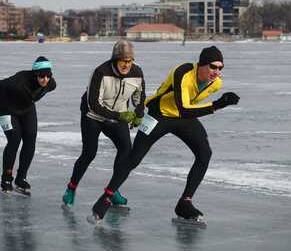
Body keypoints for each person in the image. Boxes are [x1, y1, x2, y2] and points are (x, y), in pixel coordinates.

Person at [90, 45, 240, 222]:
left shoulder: (216, 83)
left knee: (204, 153)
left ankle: (185, 203)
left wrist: (217, 104)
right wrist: (217, 105)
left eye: (220, 68)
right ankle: (106, 197)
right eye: (213, 67)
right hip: (159, 115)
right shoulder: (183, 73)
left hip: (183, 118)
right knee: (134, 158)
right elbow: (184, 108)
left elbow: (186, 110)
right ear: (201, 64)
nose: (216, 72)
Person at [62, 40, 145, 208]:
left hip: (118, 116)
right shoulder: (101, 72)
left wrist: (139, 113)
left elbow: (139, 96)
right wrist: (119, 116)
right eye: (123, 61)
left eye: (129, 61)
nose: (126, 65)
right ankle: (71, 188)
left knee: (126, 151)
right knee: (89, 153)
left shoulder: (137, 72)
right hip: (93, 117)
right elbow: (93, 103)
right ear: (115, 60)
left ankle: (113, 191)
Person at [0, 56, 56, 193]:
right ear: (35, 74)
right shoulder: (18, 81)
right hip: (6, 108)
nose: (45, 79)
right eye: (42, 76)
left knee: (30, 139)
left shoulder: (51, 84)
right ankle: (6, 178)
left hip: (26, 108)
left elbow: (36, 93)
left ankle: (21, 178)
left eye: (48, 75)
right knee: (14, 139)